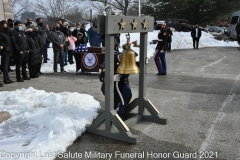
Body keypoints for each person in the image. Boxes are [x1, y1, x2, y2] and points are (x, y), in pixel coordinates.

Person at [99, 50, 132, 120]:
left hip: (122, 83)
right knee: (113, 105)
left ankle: (121, 113)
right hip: (111, 85)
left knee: (127, 91)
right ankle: (110, 113)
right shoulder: (110, 61)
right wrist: (112, 76)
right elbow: (102, 77)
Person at [0, 20, 14, 85]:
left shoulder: (7, 33)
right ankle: (5, 79)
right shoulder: (1, 33)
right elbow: (1, 42)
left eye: (6, 24)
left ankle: (7, 78)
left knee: (7, 65)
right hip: (5, 51)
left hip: (9, 50)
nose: (6, 25)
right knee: (5, 66)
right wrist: (6, 47)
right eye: (4, 24)